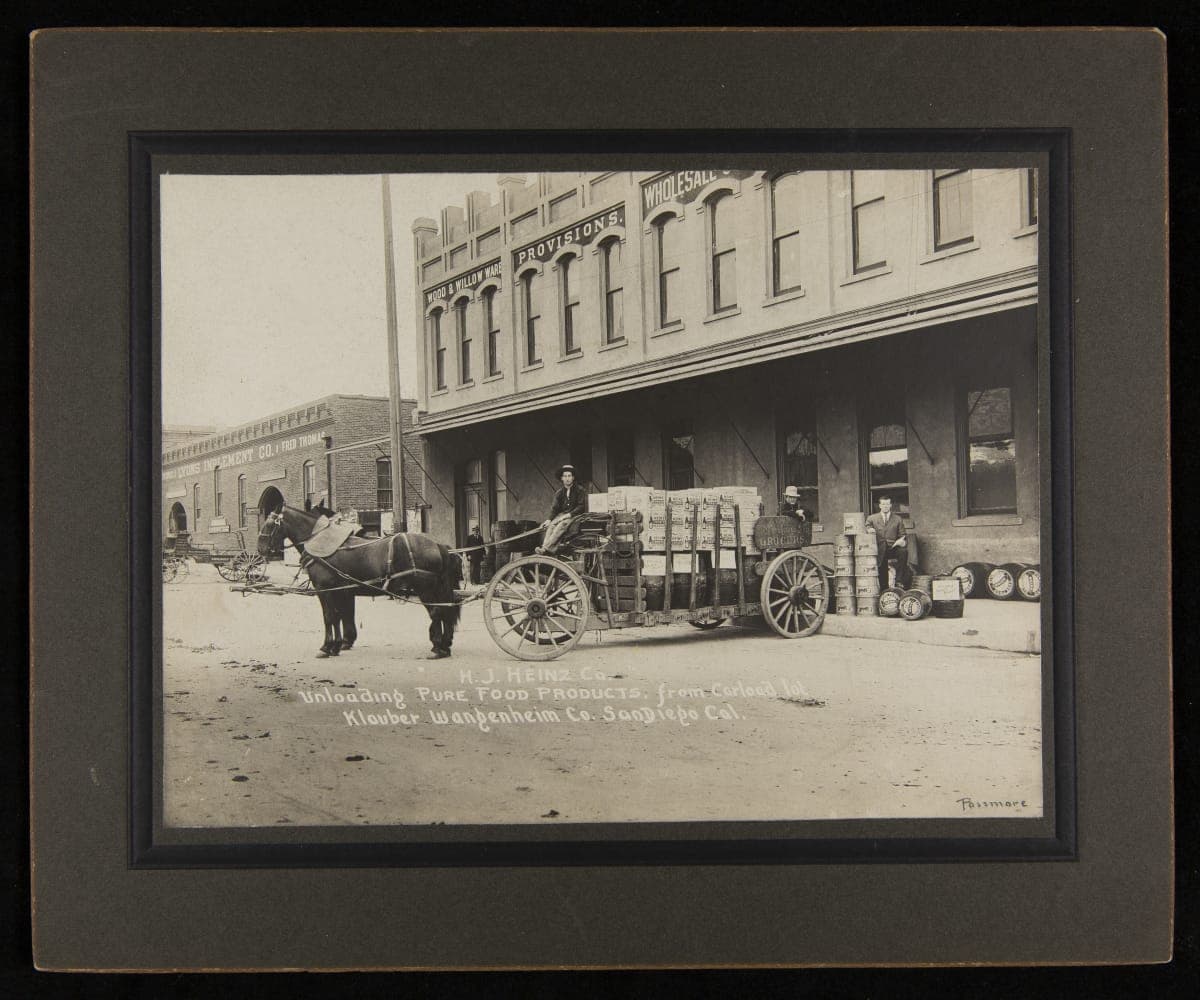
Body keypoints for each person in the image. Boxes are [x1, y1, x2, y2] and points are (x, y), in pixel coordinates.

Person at [537, 464, 589, 554]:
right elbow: (555, 508)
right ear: (562, 478)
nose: (567, 478)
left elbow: (581, 506)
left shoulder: (580, 490)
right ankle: (544, 548)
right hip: (563, 515)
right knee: (551, 526)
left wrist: (568, 515)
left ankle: (547, 548)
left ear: (573, 478)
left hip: (576, 516)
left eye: (569, 476)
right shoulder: (559, 493)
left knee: (562, 524)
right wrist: (549, 520)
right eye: (565, 476)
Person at [866, 495, 910, 589]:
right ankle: (883, 586)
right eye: (883, 504)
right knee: (882, 554)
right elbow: (866, 526)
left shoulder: (898, 519)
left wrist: (902, 542)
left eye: (887, 504)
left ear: (890, 505)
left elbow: (903, 535)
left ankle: (899, 581)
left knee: (903, 551)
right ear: (880, 506)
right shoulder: (872, 518)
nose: (885, 506)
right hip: (878, 548)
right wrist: (869, 529)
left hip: (892, 548)